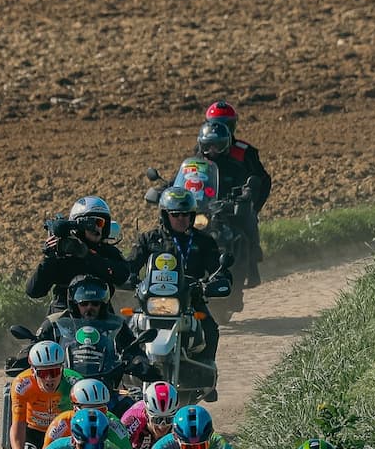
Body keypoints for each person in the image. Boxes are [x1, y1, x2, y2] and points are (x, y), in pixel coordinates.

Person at [124, 187, 229, 396]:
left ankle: (205, 379)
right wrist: (127, 278)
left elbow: (219, 269)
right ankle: (124, 376)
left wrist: (217, 281)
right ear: (165, 215)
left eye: (186, 215)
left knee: (210, 328)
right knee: (126, 330)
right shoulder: (149, 240)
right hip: (152, 303)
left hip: (190, 301)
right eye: (176, 215)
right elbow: (129, 267)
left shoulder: (204, 241)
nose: (182, 219)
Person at [201, 100, 271, 287]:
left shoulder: (244, 152)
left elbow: (261, 179)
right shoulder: (204, 148)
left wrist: (251, 202)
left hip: (234, 201)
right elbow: (190, 172)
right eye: (215, 122)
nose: (220, 127)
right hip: (206, 201)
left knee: (247, 219)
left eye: (225, 123)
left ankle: (252, 267)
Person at [26, 195, 130, 314]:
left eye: (101, 223)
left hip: (102, 317)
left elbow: (122, 275)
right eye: (93, 222)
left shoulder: (108, 252)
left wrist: (88, 255)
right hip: (63, 317)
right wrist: (48, 258)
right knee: (44, 331)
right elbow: (34, 291)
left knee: (124, 331)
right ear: (79, 225)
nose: (97, 227)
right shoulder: (62, 253)